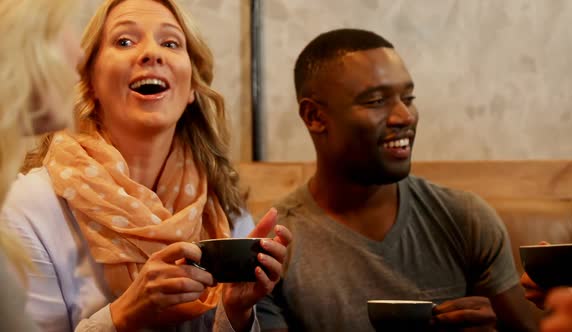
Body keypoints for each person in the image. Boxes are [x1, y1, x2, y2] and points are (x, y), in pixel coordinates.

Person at [2, 0, 291, 331]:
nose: (152, 54)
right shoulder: (29, 207)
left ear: (192, 88)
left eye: (170, 43)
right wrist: (123, 315)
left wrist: (236, 313)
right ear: (89, 80)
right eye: (124, 41)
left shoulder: (224, 210)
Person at [256, 28, 539, 331]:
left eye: (408, 98)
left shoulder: (465, 218)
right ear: (314, 116)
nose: (404, 116)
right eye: (376, 101)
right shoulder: (275, 251)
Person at [0, 0, 80, 330]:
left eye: (171, 43)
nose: (80, 53)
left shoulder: (219, 198)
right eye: (60, 27)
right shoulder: (28, 200)